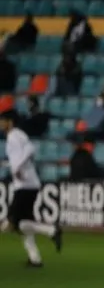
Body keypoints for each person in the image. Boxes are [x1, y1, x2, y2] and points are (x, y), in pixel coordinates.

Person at [0, 113, 62, 266]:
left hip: (25, 185)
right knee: (23, 223)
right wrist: (11, 166)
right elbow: (25, 153)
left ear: (10, 122)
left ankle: (51, 230)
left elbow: (29, 150)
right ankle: (35, 258)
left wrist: (16, 168)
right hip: (28, 183)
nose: (0, 124)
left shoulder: (13, 136)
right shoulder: (18, 135)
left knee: (13, 223)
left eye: (2, 121)